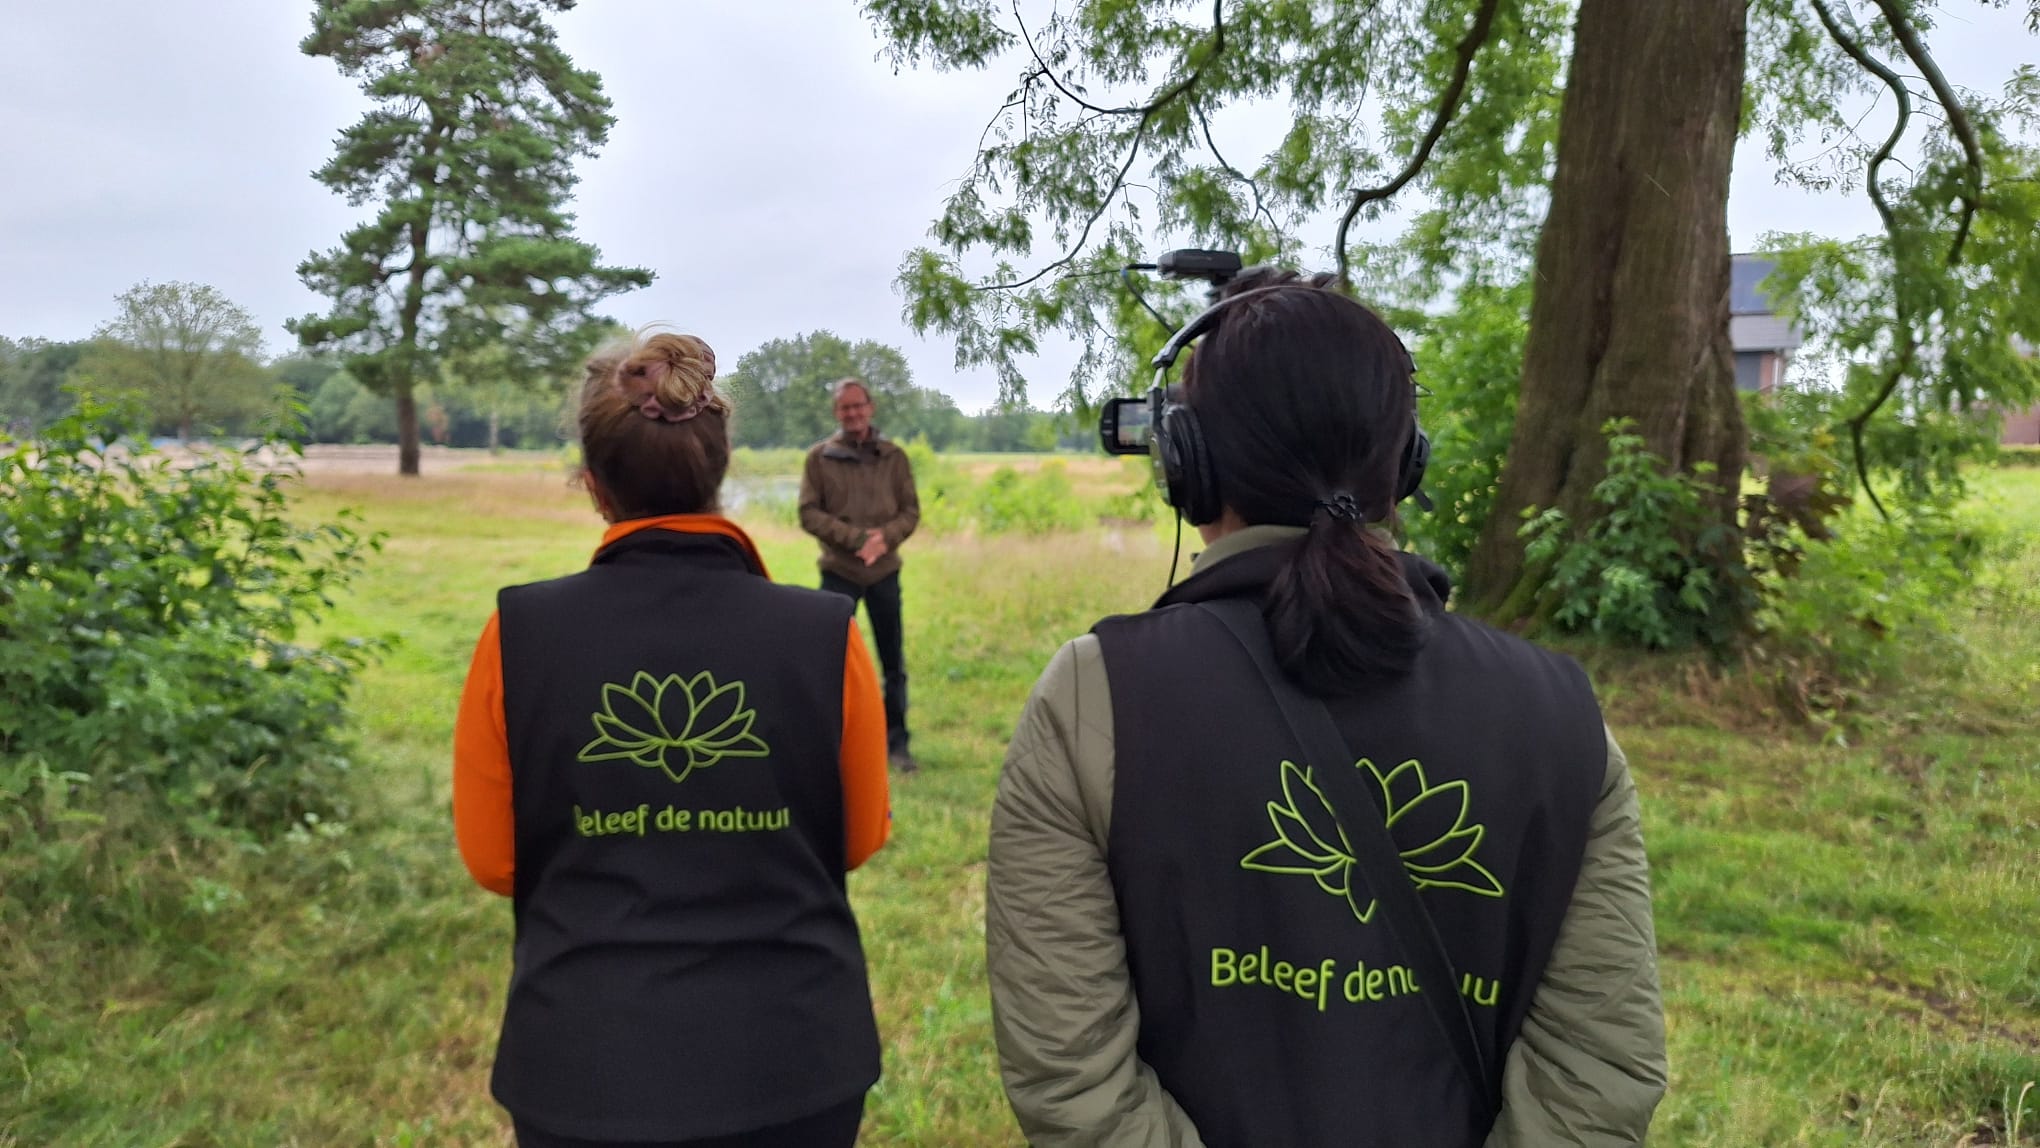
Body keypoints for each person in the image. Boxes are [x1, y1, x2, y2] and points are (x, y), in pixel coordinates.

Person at [986, 271, 1666, 1147]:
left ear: (1186, 464)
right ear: (1405, 462)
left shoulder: (1089, 698)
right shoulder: (1562, 717)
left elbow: (1072, 1079)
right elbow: (1600, 1073)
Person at [452, 329, 892, 1148]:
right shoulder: (828, 636)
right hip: (794, 1064)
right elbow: (859, 838)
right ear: (718, 473)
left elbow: (496, 861)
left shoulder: (514, 636)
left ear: (593, 487)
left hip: (583, 1066)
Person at [799, 378, 921, 772]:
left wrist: (883, 540)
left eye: (858, 406)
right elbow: (808, 513)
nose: (852, 413)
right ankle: (830, 745)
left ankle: (897, 745)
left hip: (884, 571)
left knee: (892, 663)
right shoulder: (819, 458)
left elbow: (910, 511)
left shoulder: (895, 457)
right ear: (837, 413)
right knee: (831, 662)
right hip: (839, 572)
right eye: (844, 408)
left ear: (870, 407)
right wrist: (855, 540)